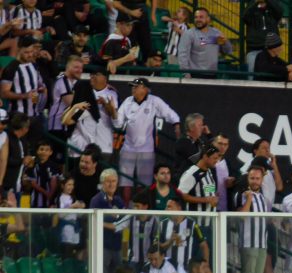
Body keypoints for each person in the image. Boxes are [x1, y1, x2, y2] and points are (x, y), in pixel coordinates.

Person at [115, 77, 180, 205]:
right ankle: (125, 207)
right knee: (125, 182)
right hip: (128, 147)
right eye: (132, 87)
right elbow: (118, 122)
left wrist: (176, 125)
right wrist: (112, 113)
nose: (133, 89)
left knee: (143, 183)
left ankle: (142, 206)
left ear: (145, 89)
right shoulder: (128, 101)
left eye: (136, 86)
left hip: (146, 149)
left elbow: (169, 113)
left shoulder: (154, 101)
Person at [235, 165, 271, 273]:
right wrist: (249, 198)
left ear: (262, 180)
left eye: (257, 178)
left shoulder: (263, 197)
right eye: (252, 178)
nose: (255, 181)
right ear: (247, 179)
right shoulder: (241, 195)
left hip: (262, 242)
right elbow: (241, 216)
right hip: (248, 242)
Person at [61, 77, 117, 161]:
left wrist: (75, 107)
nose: (73, 93)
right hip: (81, 148)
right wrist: (73, 106)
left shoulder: (84, 107)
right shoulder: (86, 106)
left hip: (80, 150)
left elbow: (65, 121)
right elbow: (63, 116)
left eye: (75, 90)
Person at [0, 37, 44, 130]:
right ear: (19, 50)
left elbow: (37, 85)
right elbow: (4, 93)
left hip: (35, 114)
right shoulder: (11, 68)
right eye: (26, 52)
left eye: (31, 52)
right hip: (18, 116)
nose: (30, 55)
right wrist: (24, 95)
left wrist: (41, 88)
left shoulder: (33, 65)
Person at [90, 168, 125, 273]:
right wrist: (113, 226)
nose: (111, 184)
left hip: (117, 246)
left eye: (114, 181)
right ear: (102, 183)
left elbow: (124, 223)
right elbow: (94, 221)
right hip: (102, 246)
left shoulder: (119, 200)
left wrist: (109, 224)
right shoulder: (96, 200)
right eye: (108, 181)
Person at [159, 197, 209, 273]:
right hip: (167, 271)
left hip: (187, 270)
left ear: (179, 208)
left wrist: (206, 265)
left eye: (169, 207)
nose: (166, 209)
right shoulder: (162, 225)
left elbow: (204, 245)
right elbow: (158, 248)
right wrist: (170, 242)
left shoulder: (192, 224)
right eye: (166, 207)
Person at [178, 7, 232, 78]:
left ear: (208, 19)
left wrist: (226, 42)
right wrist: (185, 73)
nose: (198, 20)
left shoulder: (216, 33)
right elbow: (183, 55)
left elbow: (228, 51)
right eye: (196, 17)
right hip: (195, 75)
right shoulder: (188, 34)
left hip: (212, 75)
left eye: (201, 17)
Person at [178, 143, 219, 227]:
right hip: (195, 224)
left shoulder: (209, 172)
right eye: (214, 158)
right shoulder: (191, 174)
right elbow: (181, 194)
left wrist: (213, 198)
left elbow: (208, 192)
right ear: (205, 156)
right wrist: (205, 200)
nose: (216, 161)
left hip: (209, 222)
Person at [47, 55, 83, 148]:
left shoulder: (70, 82)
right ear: (68, 67)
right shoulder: (64, 81)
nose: (80, 70)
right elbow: (71, 104)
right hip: (58, 126)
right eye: (76, 67)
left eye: (81, 68)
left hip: (63, 126)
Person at [244, 0, 281, 73]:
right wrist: (256, 2)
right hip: (254, 49)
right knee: (252, 75)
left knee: (271, 76)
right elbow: (245, 17)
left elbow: (279, 13)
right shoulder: (252, 6)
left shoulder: (272, 8)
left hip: (271, 50)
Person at [125, 191, 157, 272]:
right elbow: (120, 232)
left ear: (145, 206)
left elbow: (157, 240)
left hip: (149, 261)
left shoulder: (155, 220)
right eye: (134, 206)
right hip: (133, 260)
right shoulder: (130, 217)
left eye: (137, 206)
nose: (134, 208)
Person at [54, 176, 85, 258]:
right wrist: (72, 206)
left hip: (75, 228)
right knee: (67, 251)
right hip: (66, 228)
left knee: (74, 251)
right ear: (62, 186)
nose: (71, 187)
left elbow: (78, 215)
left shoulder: (73, 198)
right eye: (69, 184)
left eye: (72, 185)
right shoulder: (59, 198)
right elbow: (60, 215)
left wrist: (81, 207)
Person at [24, 139, 59, 208]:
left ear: (51, 152)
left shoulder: (54, 166)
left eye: (47, 150)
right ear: (37, 151)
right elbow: (31, 183)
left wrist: (51, 197)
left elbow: (56, 183)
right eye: (41, 149)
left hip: (50, 203)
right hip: (35, 203)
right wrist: (47, 194)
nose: (44, 152)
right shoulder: (32, 165)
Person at [3, 112, 31, 196]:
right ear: (24, 128)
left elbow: (25, 157)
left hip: (18, 184)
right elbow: (4, 160)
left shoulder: (23, 140)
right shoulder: (6, 138)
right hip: (6, 185)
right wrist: (22, 161)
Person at [211, 133, 236, 211]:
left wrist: (233, 181)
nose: (222, 147)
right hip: (210, 210)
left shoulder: (228, 163)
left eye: (225, 144)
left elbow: (238, 178)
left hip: (226, 210)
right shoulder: (207, 162)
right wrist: (212, 191)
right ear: (213, 144)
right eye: (220, 143)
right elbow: (202, 184)